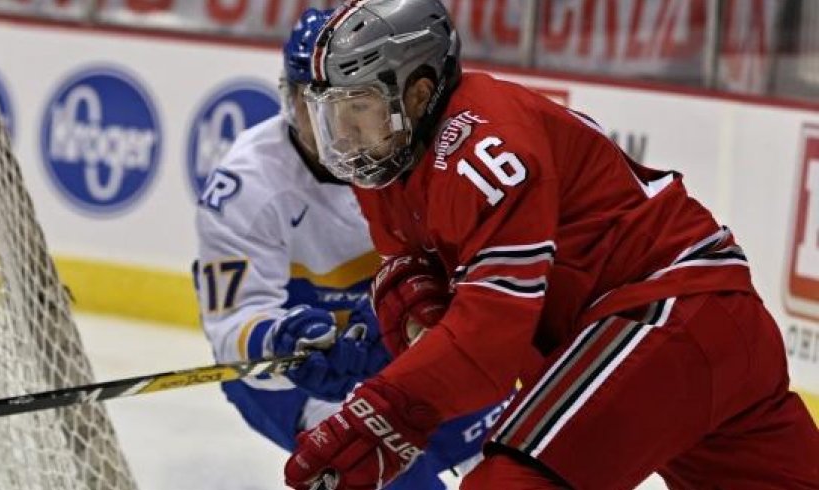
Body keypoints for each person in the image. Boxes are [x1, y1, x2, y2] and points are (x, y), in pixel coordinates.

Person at [283, 1, 819, 489]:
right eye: (334, 114)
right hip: (704, 325)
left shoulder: (485, 148)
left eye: (358, 110)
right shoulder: (388, 161)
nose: (344, 136)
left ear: (418, 92)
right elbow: (409, 264)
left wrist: (384, 410)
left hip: (665, 313)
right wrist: (414, 310)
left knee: (512, 483)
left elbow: (489, 345)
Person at [192, 8, 504, 488]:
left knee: (511, 456)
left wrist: (395, 326)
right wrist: (281, 343)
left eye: (352, 104)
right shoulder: (247, 188)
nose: (332, 125)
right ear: (288, 97)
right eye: (311, 103)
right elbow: (232, 326)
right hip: (298, 377)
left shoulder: (421, 155)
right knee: (389, 472)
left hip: (396, 341)